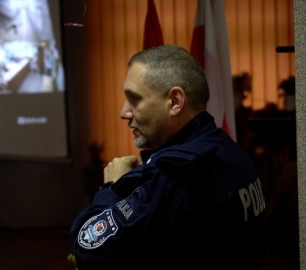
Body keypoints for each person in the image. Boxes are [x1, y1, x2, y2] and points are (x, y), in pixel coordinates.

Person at [70, 45, 266, 269]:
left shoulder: (176, 173)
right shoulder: (229, 150)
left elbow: (89, 249)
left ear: (175, 101)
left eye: (134, 99)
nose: (124, 112)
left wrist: (113, 187)